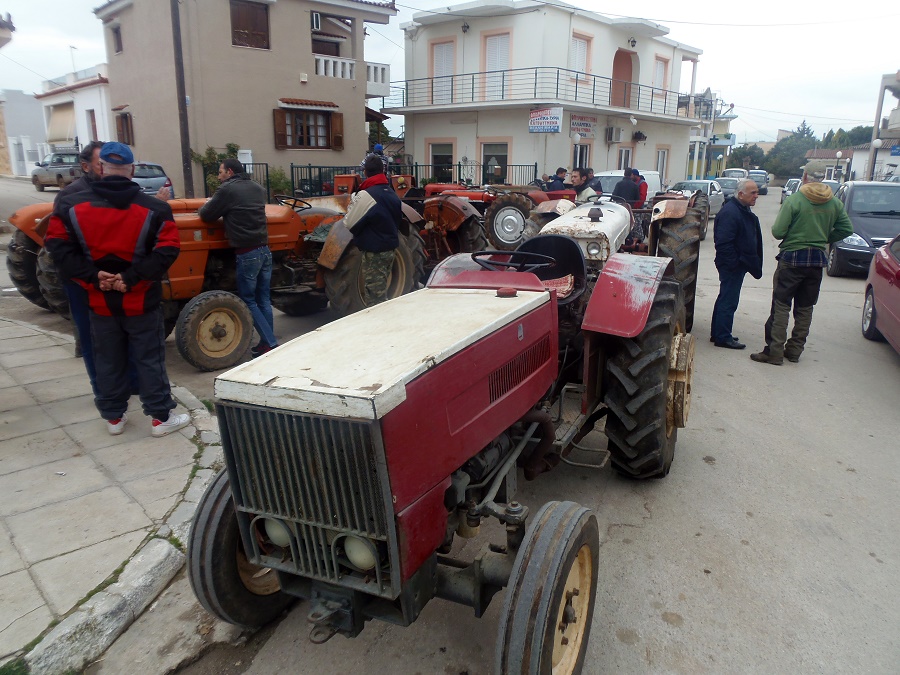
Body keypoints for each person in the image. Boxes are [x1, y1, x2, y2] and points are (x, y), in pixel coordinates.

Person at [45, 142, 189, 437]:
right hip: (139, 300)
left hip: (99, 299)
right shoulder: (156, 209)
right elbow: (168, 250)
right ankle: (161, 418)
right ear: (132, 170)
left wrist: (94, 276)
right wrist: (131, 277)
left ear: (101, 168)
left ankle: (113, 418)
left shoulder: (71, 205)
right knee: (149, 357)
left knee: (107, 358)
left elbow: (57, 247)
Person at [750, 160, 852, 365]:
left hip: (792, 259)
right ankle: (794, 351)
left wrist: (796, 236)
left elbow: (778, 231)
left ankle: (775, 352)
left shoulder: (795, 200)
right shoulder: (834, 203)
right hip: (816, 261)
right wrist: (824, 238)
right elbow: (846, 229)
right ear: (822, 177)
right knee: (805, 307)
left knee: (781, 305)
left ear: (805, 176)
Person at [198, 158, 277, 358]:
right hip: (264, 250)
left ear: (230, 172)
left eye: (220, 172)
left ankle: (271, 343)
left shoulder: (227, 190)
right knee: (264, 299)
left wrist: (205, 204)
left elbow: (207, 215)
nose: (218, 176)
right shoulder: (258, 188)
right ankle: (266, 342)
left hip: (246, 252)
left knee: (248, 300)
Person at [710, 178, 762, 349]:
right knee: (729, 300)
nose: (757, 195)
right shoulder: (731, 212)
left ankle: (718, 332)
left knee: (725, 297)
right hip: (731, 265)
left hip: (735, 264)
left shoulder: (740, 209)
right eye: (753, 192)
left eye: (757, 191)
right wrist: (735, 264)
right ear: (740, 194)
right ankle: (723, 337)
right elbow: (723, 243)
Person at [343, 154, 401, 306]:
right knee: (381, 291)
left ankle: (379, 327)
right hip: (390, 249)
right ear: (382, 171)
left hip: (374, 252)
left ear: (365, 173)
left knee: (374, 298)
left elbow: (349, 223)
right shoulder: (392, 194)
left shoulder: (367, 195)